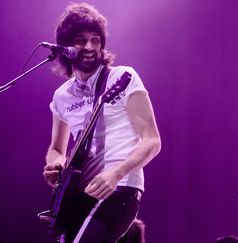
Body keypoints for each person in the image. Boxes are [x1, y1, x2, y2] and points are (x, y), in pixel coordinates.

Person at [42, 3, 161, 242]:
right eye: (80, 40)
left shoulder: (123, 77)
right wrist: (56, 165)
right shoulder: (62, 96)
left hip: (120, 190)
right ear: (65, 46)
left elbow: (152, 141)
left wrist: (116, 173)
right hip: (77, 196)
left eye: (95, 40)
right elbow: (56, 148)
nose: (89, 47)